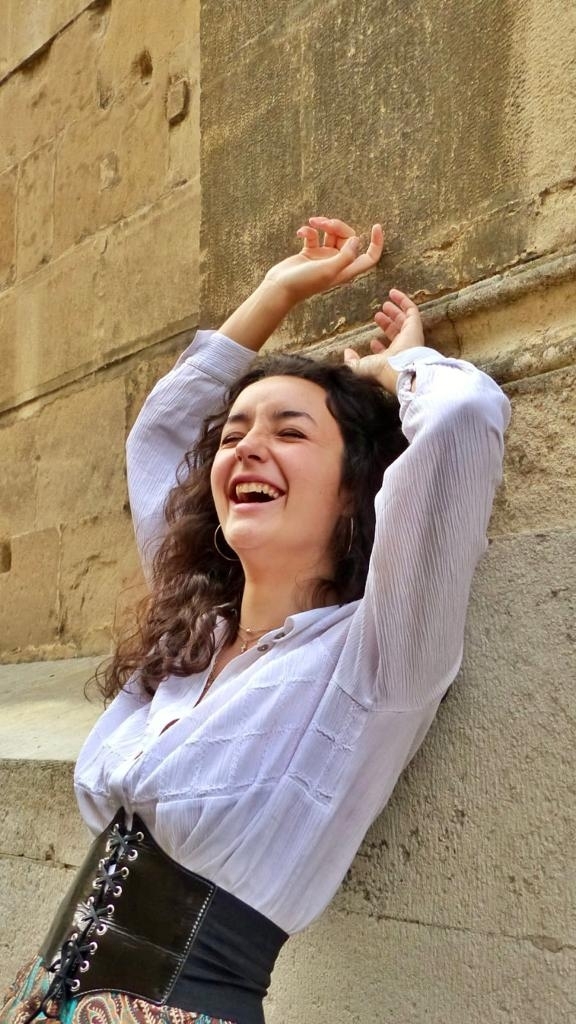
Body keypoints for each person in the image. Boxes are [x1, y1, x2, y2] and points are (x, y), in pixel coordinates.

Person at [1, 217, 510, 1024]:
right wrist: (275, 292)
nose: (246, 448)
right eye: (234, 435)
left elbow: (461, 420)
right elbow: (160, 438)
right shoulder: (191, 636)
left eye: (289, 432)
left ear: (355, 487)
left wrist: (395, 370)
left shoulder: (376, 658)